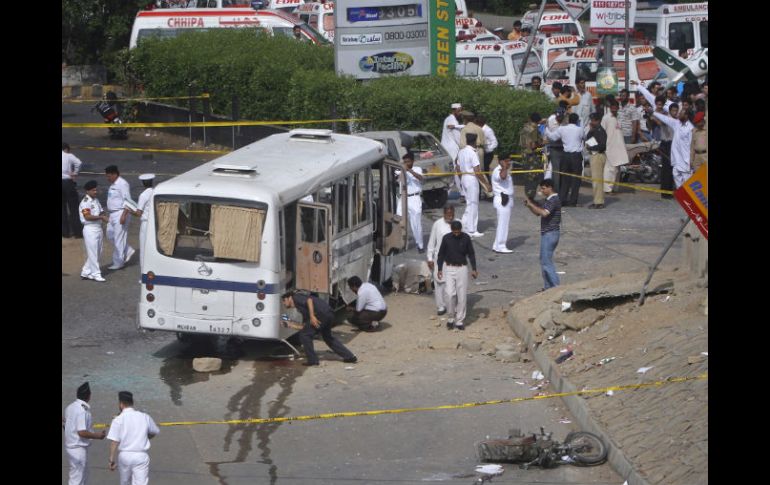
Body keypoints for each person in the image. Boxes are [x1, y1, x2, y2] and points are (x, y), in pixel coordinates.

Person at [281, 291, 357, 365]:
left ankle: (312, 360)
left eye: (284, 301)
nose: (284, 303)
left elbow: (309, 300)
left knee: (304, 335)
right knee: (327, 337)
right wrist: (290, 325)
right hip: (328, 313)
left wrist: (312, 316)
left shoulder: (296, 297)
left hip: (321, 314)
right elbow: (304, 327)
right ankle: (350, 357)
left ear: (289, 298)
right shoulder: (302, 309)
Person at [107, 391, 160, 485]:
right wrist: (146, 437)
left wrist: (111, 460)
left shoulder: (118, 419)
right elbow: (155, 431)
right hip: (141, 456)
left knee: (125, 482)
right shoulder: (144, 416)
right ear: (132, 403)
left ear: (121, 404)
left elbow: (114, 441)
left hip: (125, 456)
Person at [437, 220, 478, 330]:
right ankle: (451, 318)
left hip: (462, 268)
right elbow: (441, 254)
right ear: (451, 230)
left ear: (461, 230)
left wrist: (474, 268)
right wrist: (439, 268)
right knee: (450, 294)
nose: (456, 234)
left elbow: (471, 253)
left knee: (462, 295)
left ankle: (459, 320)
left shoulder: (466, 238)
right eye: (454, 232)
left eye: (458, 232)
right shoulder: (446, 238)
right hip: (449, 268)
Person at [64, 382, 106, 485]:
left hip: (72, 447)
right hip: (78, 449)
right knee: (77, 479)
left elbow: (67, 425)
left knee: (83, 476)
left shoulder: (70, 407)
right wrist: (98, 436)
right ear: (89, 396)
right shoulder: (82, 410)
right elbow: (82, 432)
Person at [523, 179, 562, 290]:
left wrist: (531, 203)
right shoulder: (549, 200)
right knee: (544, 260)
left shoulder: (553, 199)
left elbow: (544, 213)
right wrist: (530, 205)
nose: (542, 190)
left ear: (550, 188)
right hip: (548, 233)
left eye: (543, 188)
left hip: (551, 234)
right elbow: (537, 213)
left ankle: (556, 288)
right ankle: (548, 288)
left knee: (546, 262)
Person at [545, 113, 584, 207]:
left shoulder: (562, 129)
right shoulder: (580, 129)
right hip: (576, 155)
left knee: (565, 178)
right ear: (577, 121)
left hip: (565, 155)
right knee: (576, 179)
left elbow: (552, 137)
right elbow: (585, 137)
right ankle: (573, 201)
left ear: (569, 120)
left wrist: (546, 129)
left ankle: (562, 199)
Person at [653, 106, 694, 188]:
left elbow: (692, 146)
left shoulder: (690, 128)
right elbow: (665, 119)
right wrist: (653, 113)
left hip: (686, 161)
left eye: (681, 113)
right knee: (678, 183)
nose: (679, 114)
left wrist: (691, 160)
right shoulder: (677, 123)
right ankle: (682, 198)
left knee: (687, 184)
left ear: (686, 116)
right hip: (676, 160)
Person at [457, 133, 488, 238]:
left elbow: (457, 167)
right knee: (473, 204)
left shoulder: (461, 151)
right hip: (471, 179)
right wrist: (486, 184)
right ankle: (472, 229)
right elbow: (477, 171)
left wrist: (461, 179)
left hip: (464, 178)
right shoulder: (473, 153)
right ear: (474, 142)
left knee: (469, 204)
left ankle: (464, 225)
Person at [105, 165, 136, 270]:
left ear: (115, 174)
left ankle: (119, 262)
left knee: (119, 238)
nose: (107, 178)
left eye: (109, 176)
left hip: (120, 213)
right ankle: (127, 250)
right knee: (109, 234)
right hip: (113, 213)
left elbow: (128, 201)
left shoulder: (122, 184)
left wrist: (124, 215)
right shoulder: (113, 184)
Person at [426, 206, 455, 316]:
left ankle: (452, 305)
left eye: (452, 214)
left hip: (454, 259)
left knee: (453, 283)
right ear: (444, 214)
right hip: (440, 259)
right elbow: (432, 242)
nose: (450, 216)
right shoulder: (437, 224)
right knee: (439, 282)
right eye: (448, 214)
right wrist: (429, 258)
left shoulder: (458, 223)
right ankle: (441, 306)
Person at [79, 181, 109, 282]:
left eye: (96, 189)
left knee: (98, 252)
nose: (96, 191)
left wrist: (103, 214)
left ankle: (86, 271)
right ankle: (96, 274)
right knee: (93, 253)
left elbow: (101, 210)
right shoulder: (85, 202)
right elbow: (87, 217)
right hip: (90, 229)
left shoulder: (95, 200)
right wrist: (101, 217)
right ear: (88, 191)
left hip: (98, 228)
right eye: (93, 190)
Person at [395, 153, 425, 253]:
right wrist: (401, 171)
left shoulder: (417, 169)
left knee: (415, 223)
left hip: (414, 198)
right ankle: (400, 243)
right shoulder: (400, 170)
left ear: (412, 161)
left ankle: (420, 245)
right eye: (405, 162)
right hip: (402, 198)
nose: (406, 163)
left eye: (408, 161)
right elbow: (396, 179)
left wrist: (409, 171)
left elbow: (421, 178)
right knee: (399, 220)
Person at [124, 174, 155, 266]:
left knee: (143, 250)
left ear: (143, 183)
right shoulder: (155, 192)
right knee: (152, 249)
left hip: (146, 224)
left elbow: (138, 213)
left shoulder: (143, 195)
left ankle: (143, 276)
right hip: (154, 223)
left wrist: (129, 210)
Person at [601, 100, 629, 193]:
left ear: (618, 108)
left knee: (617, 168)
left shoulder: (619, 117)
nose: (614, 108)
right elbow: (602, 132)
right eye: (612, 106)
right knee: (610, 168)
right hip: (610, 146)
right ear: (610, 107)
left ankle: (614, 188)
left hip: (619, 145)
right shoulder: (606, 118)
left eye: (615, 107)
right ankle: (607, 189)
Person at [490, 158, 514, 253]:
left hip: (507, 199)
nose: (509, 163)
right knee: (503, 224)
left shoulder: (504, 169)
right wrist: (504, 166)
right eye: (507, 161)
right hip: (503, 199)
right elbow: (502, 177)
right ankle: (501, 245)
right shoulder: (498, 170)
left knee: (503, 223)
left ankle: (496, 245)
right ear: (502, 161)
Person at [585, 112, 608, 209]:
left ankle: (599, 202)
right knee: (595, 180)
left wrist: (591, 147)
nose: (592, 122)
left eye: (593, 120)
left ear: (598, 120)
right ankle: (596, 200)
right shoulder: (595, 130)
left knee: (597, 180)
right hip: (594, 155)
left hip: (598, 155)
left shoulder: (601, 131)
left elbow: (602, 146)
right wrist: (590, 131)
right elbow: (588, 138)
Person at [62, 143, 84, 239]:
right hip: (68, 182)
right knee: (74, 208)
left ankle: (65, 233)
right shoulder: (68, 155)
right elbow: (79, 162)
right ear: (66, 149)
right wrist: (75, 173)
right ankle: (77, 232)